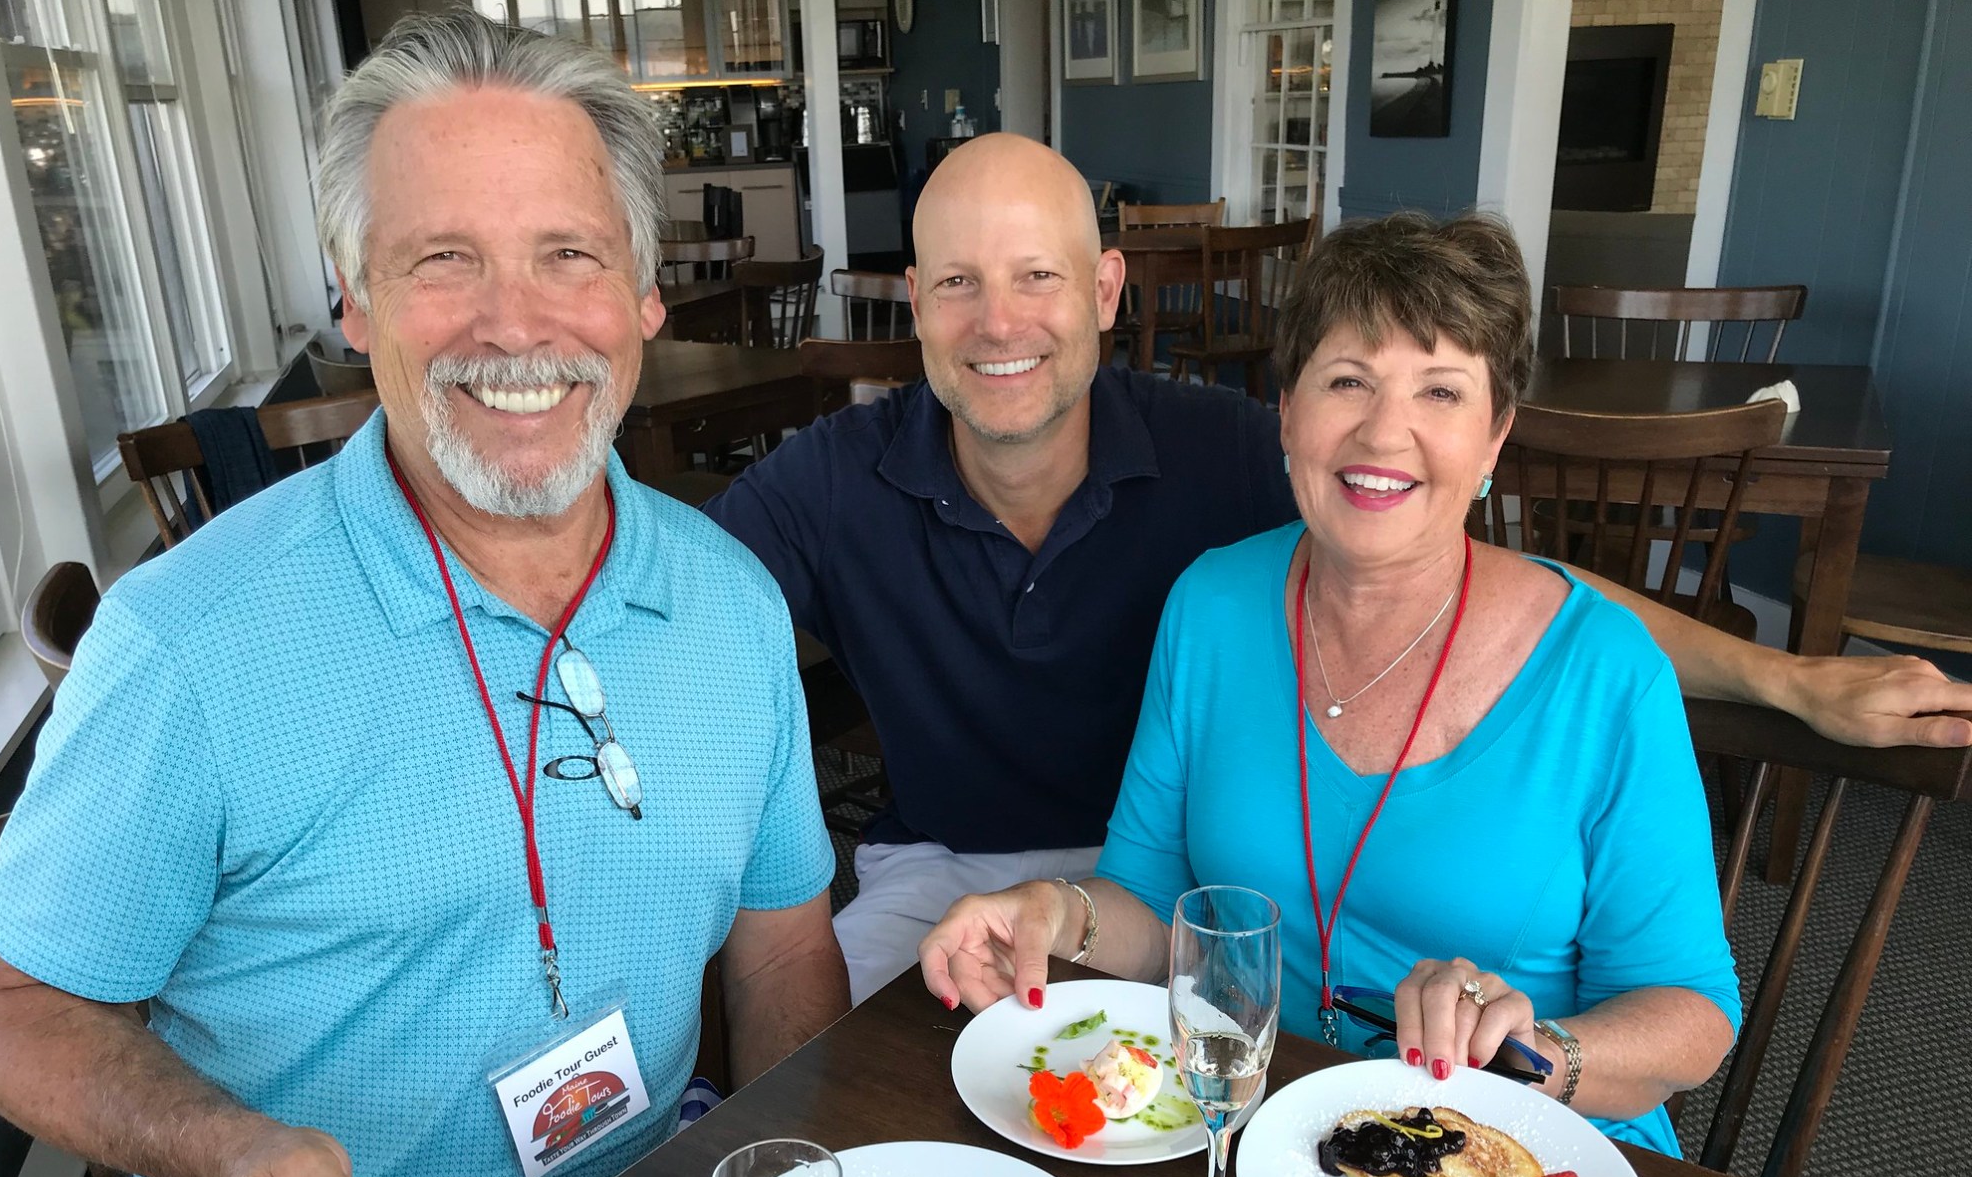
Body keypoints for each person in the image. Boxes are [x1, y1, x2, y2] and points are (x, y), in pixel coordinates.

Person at [0, 12, 845, 1177]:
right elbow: (1, 1005)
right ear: (355, 298)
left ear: (641, 293)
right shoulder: (190, 643)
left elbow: (782, 949)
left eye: (568, 254)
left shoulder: (732, 606)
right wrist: (230, 1149)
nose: (515, 325)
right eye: (443, 260)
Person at [708, 134, 1969, 1009]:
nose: (999, 322)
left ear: (1104, 291)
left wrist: (1788, 678)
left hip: (1165, 877)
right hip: (982, 868)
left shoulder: (1230, 452)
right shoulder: (837, 475)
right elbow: (673, 603)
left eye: (1038, 276)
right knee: (848, 1104)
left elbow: (1512, 590)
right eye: (958, 284)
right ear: (912, 301)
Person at [920, 211, 1742, 1156]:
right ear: (1286, 414)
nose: (1384, 432)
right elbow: (1150, 905)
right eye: (1347, 380)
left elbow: (1694, 1014)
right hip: (1268, 1130)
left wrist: (1539, 1053)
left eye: (1441, 391)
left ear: (1494, 440)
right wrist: (1056, 911)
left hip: (1528, 1163)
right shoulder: (1211, 606)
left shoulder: (1607, 673)